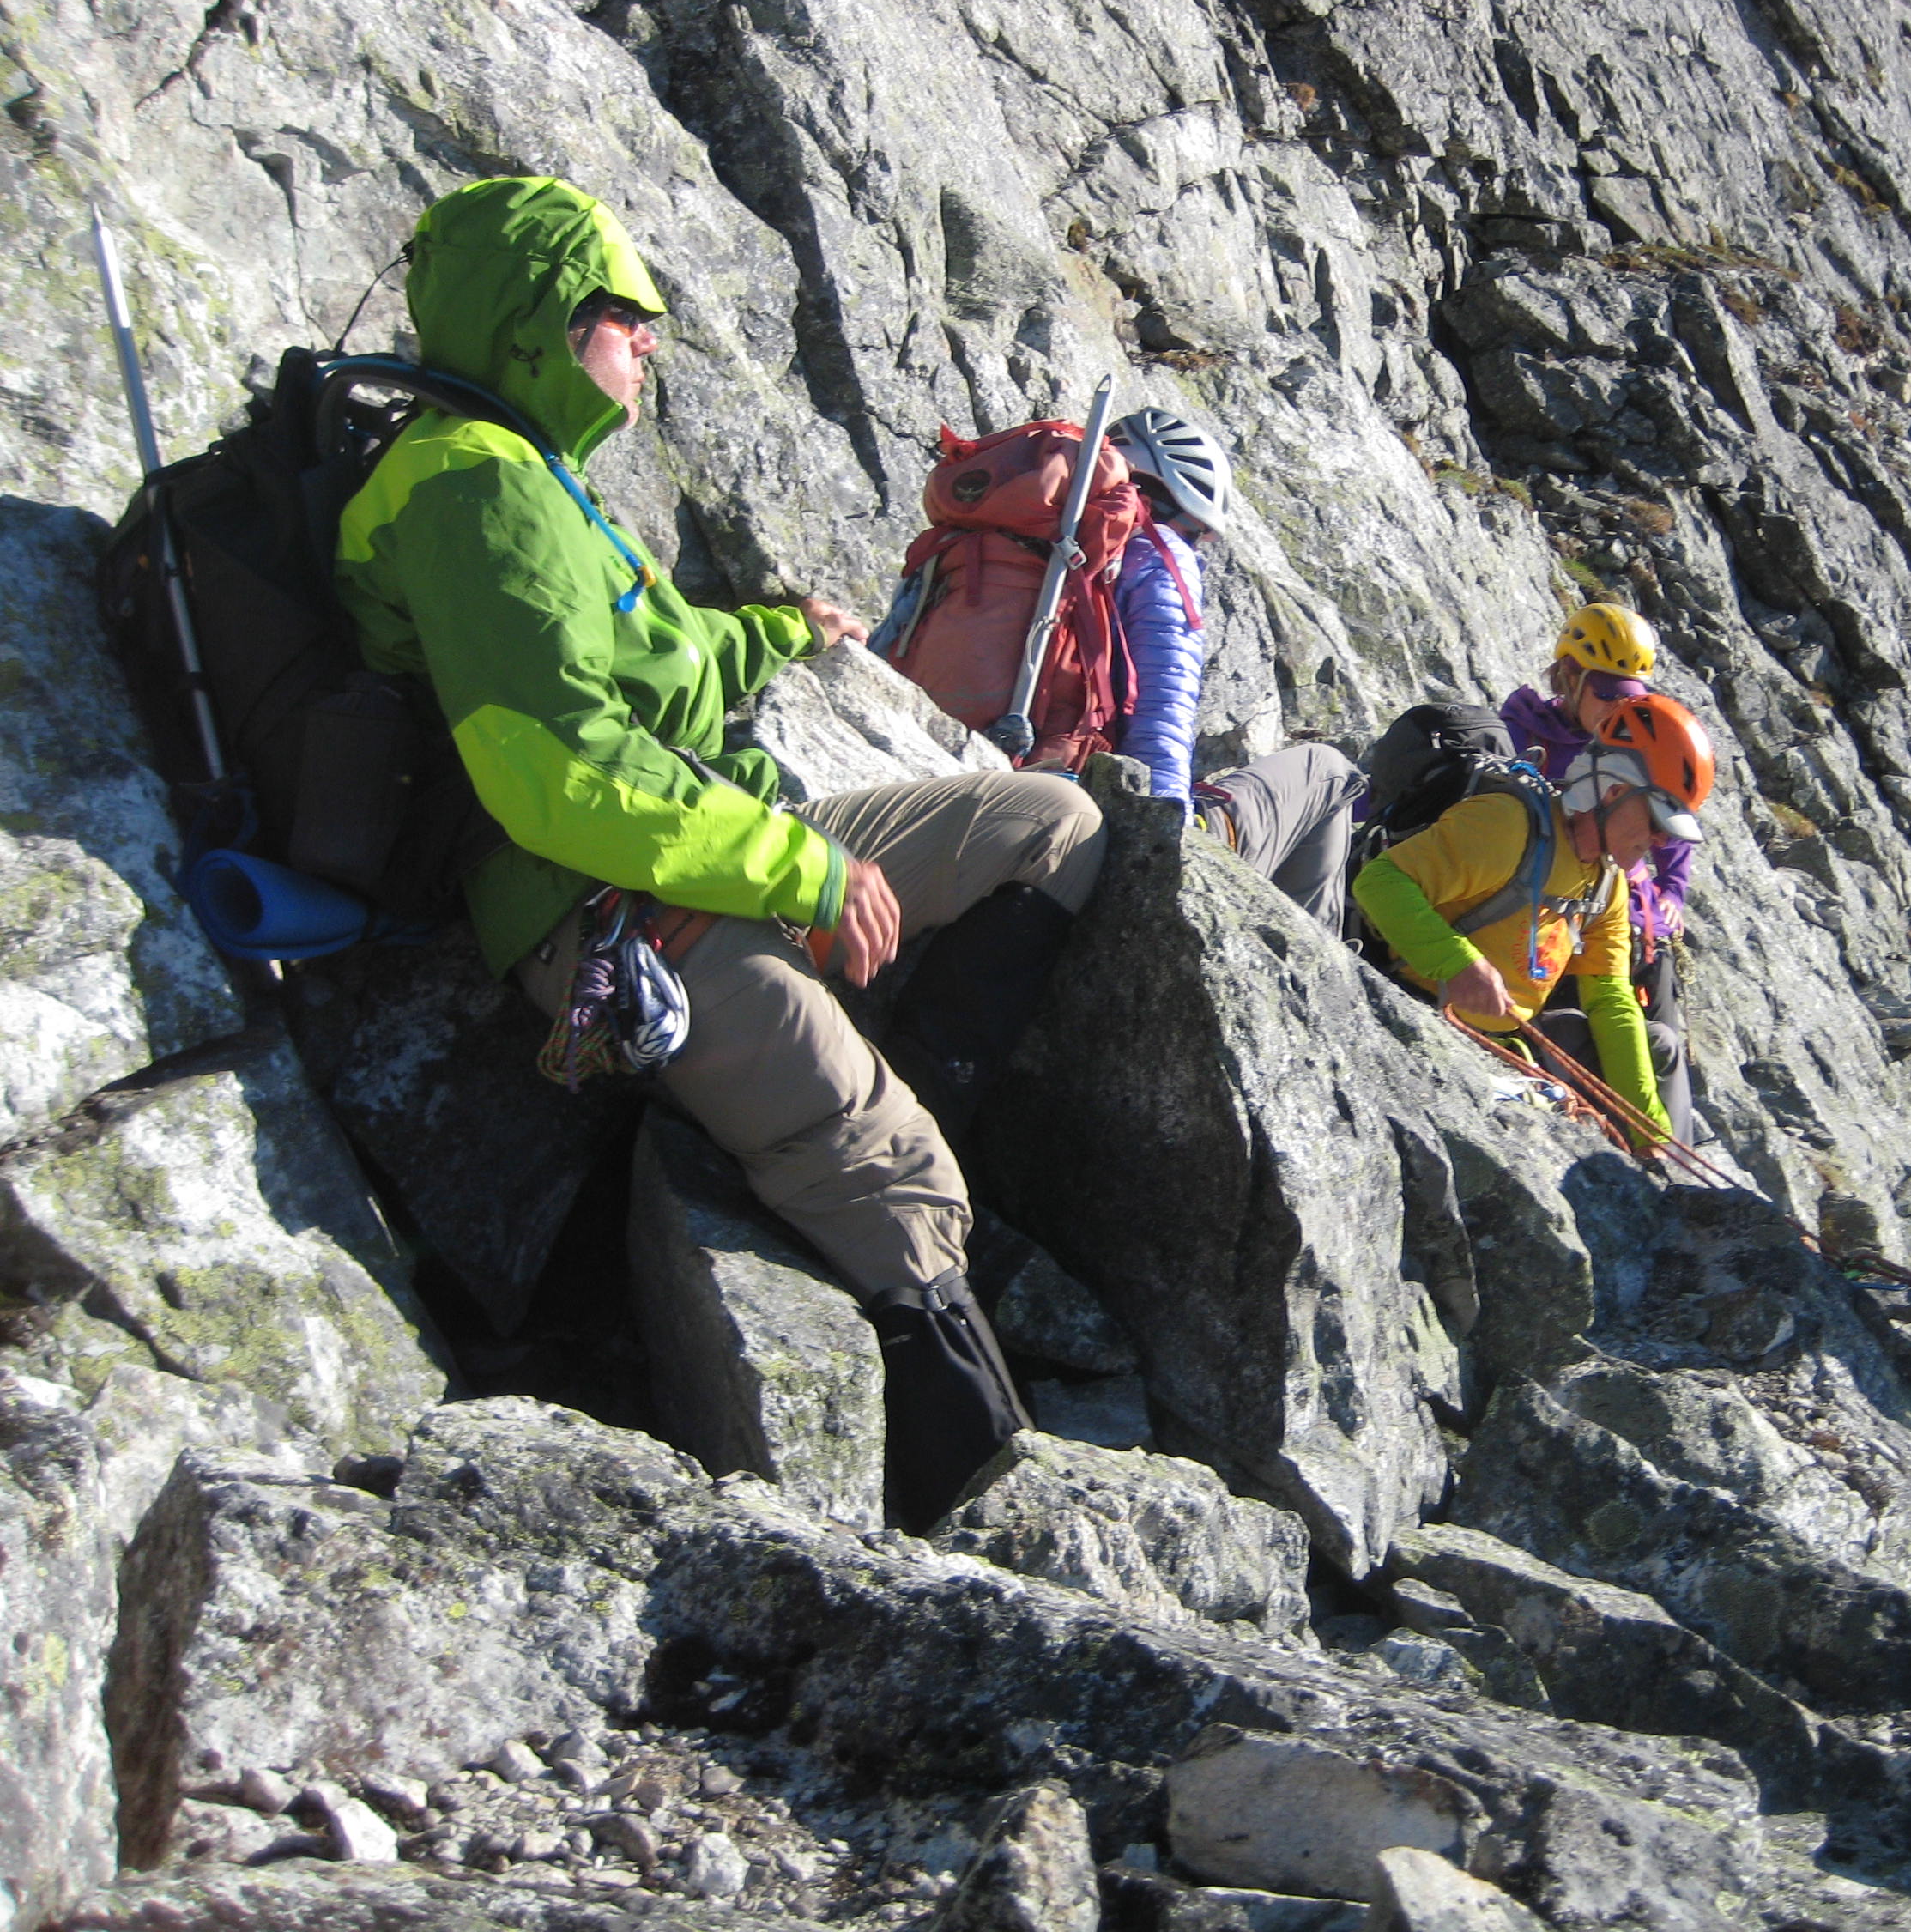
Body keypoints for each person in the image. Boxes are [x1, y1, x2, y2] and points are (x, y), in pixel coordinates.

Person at [336, 176, 1104, 1530]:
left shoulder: (536, 479)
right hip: (609, 905)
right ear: (545, 318)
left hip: (714, 846)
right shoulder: (472, 491)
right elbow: (560, 778)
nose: (650, 337)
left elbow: (660, 665)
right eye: (628, 313)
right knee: (901, 1168)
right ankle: (986, 1526)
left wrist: (781, 633)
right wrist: (806, 877)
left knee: (1050, 823)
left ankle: (855, 1069)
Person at [1352, 694, 1715, 1139]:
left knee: (1659, 1043)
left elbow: (1610, 1000)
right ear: (1615, 791)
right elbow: (1379, 883)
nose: (1660, 841)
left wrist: (1650, 1130)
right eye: (1657, 822)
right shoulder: (1507, 826)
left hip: (1512, 1041)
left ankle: (1667, 1167)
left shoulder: (1608, 882)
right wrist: (1457, 963)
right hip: (1424, 1006)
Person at [1107, 407, 1368, 932]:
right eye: (1198, 531)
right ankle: (1316, 965)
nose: (1199, 545)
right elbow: (1163, 707)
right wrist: (1164, 841)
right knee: (1329, 770)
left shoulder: (1030, 539)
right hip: (1123, 818)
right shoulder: (1158, 556)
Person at [1500, 603, 1697, 1133]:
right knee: (1622, 1033)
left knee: (1664, 1032)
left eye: (1630, 697)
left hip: (1623, 924)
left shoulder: (1636, 734)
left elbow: (1670, 809)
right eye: (1607, 694)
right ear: (1570, 676)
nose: (1619, 709)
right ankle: (1646, 1130)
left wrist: (1671, 892)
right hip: (1555, 921)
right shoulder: (1520, 739)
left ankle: (1671, 1132)